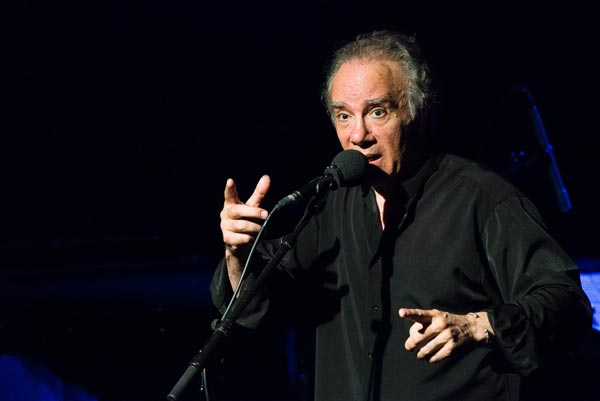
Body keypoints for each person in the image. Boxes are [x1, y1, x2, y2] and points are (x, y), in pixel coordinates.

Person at [210, 30, 593, 401]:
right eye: (343, 116)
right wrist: (237, 254)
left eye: (377, 112)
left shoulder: (483, 200)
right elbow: (262, 306)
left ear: (417, 111)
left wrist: (479, 325)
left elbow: (568, 305)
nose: (358, 135)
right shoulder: (329, 204)